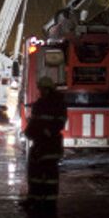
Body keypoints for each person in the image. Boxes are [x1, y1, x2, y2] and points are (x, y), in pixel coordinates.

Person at [24, 76, 67, 209]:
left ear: (47, 89)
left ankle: (46, 201)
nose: (40, 91)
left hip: (48, 144)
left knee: (47, 174)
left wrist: (44, 132)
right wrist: (30, 133)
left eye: (41, 89)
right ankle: (37, 199)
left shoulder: (50, 104)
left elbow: (55, 123)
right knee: (37, 173)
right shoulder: (48, 103)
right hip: (43, 144)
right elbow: (35, 123)